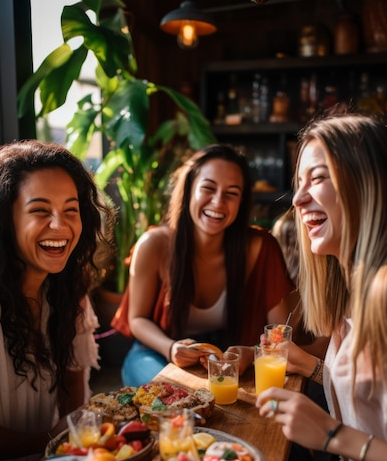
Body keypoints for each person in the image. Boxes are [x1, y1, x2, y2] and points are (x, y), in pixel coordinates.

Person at [256, 111, 387, 461]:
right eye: (299, 181)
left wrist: (332, 436)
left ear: (369, 183)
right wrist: (312, 366)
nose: (297, 198)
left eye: (318, 179)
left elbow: (353, 434)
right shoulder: (358, 288)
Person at [119, 143, 295, 387]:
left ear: (242, 201)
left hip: (226, 358)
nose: (218, 202)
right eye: (208, 188)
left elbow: (280, 332)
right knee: (172, 397)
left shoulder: (260, 247)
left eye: (231, 193)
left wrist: (253, 352)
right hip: (157, 351)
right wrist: (171, 348)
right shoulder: (153, 245)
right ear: (190, 190)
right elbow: (136, 319)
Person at [0, 139, 114, 461]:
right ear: (5, 219)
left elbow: (73, 403)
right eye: (40, 210)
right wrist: (55, 437)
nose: (60, 226)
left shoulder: (68, 290)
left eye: (71, 210)